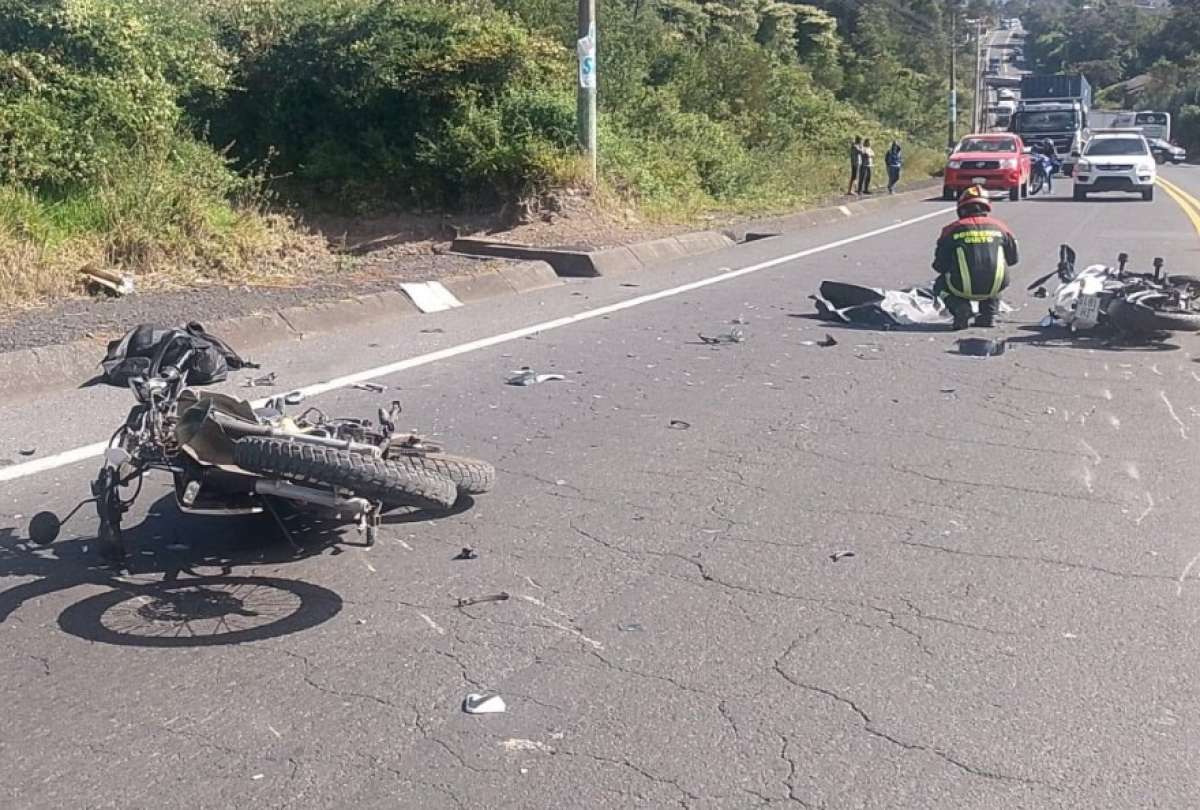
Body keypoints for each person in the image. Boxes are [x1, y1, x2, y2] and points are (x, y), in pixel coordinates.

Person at [931, 186, 1019, 330]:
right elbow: (1013, 259)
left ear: (961, 208)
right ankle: (988, 315)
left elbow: (939, 265)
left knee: (939, 285)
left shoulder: (951, 229)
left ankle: (960, 308)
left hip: (960, 286)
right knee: (993, 277)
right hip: (996, 285)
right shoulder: (1002, 228)